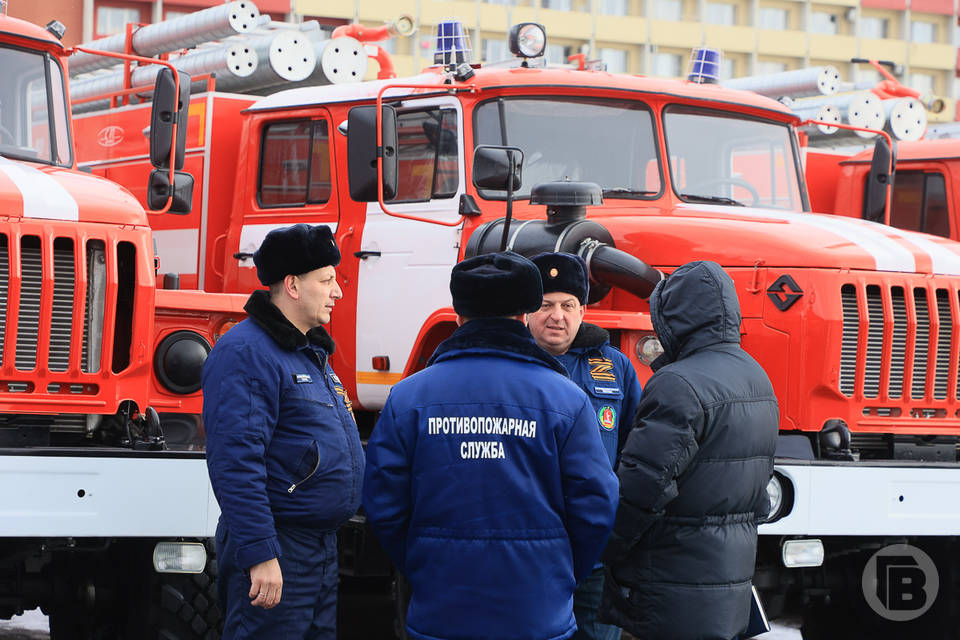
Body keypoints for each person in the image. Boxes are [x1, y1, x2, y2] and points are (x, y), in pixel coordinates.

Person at [363, 251, 619, 640]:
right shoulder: (567, 400)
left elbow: (383, 504)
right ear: (524, 316)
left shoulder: (408, 398)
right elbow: (596, 505)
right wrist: (561, 571)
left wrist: (423, 564)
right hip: (538, 612)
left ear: (460, 317)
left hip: (441, 610)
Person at [599, 260, 779, 640]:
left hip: (669, 582)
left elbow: (643, 488)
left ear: (676, 317)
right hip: (726, 580)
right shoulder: (756, 377)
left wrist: (603, 549)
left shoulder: (678, 383)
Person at [202, 224, 364, 640]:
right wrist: (261, 554)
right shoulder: (247, 352)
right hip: (279, 550)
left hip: (318, 549)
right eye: (327, 280)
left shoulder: (308, 351)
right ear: (292, 285)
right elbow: (236, 460)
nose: (337, 292)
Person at [528, 252, 643, 640]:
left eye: (568, 305)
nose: (556, 316)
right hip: (531, 551)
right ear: (527, 311)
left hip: (596, 552)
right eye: (545, 305)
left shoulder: (615, 367)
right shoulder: (512, 366)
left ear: (583, 310)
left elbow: (635, 446)